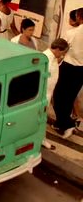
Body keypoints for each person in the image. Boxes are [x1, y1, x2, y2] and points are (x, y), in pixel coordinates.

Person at [52, 8, 83, 139]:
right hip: (82, 70)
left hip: (69, 67)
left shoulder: (73, 33)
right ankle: (60, 123)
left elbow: (61, 47)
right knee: (70, 98)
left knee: (58, 96)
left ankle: (68, 124)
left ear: (79, 17)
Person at [41, 38, 69, 149]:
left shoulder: (53, 59)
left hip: (48, 96)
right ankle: (40, 140)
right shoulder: (45, 59)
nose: (63, 55)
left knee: (42, 120)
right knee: (39, 121)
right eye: (63, 52)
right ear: (57, 49)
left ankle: (42, 139)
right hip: (42, 97)